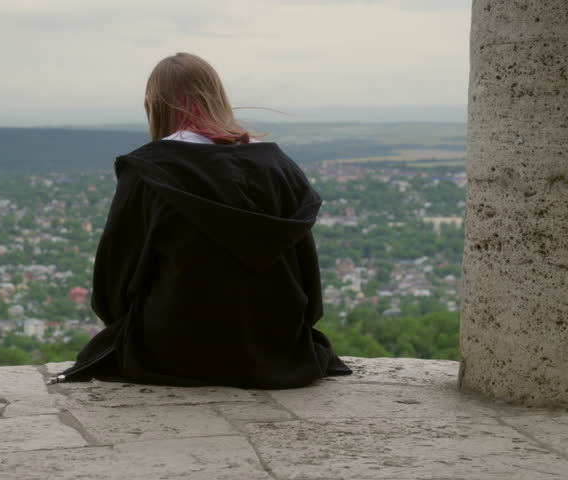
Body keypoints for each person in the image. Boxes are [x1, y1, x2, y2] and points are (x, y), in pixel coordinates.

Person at [49, 52, 351, 389]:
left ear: (152, 105)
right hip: (277, 347)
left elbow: (115, 276)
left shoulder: (150, 172)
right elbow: (306, 270)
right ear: (219, 99)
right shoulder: (280, 166)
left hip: (173, 349)